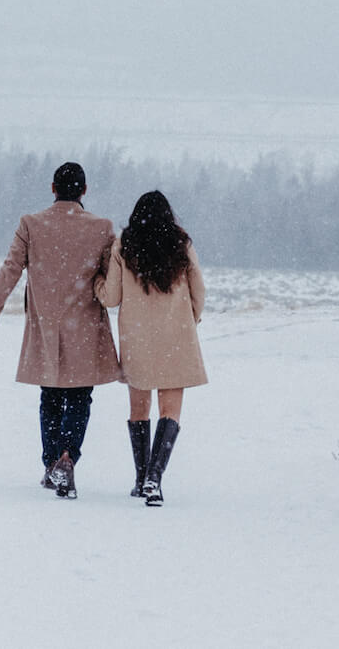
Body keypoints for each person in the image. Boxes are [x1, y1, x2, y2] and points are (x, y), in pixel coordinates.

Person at [0, 161, 122, 499]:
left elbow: (11, 269)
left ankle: (52, 463)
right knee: (80, 397)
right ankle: (68, 457)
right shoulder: (102, 228)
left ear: (52, 188)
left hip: (46, 324)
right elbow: (111, 280)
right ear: (84, 191)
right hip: (85, 324)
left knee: (51, 397)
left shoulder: (31, 224)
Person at [95, 189, 204, 506]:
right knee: (170, 411)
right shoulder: (181, 243)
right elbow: (199, 287)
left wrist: (95, 284)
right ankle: (155, 479)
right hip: (176, 335)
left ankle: (142, 477)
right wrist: (190, 318)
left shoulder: (125, 244)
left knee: (138, 410)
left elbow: (111, 297)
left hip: (137, 336)